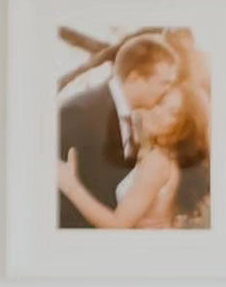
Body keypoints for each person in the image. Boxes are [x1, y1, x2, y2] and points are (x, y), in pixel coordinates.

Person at [58, 34, 180, 228]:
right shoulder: (80, 112)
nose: (167, 91)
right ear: (135, 78)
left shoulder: (136, 119)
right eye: (164, 82)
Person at [58, 82, 210, 228]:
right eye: (159, 103)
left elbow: (117, 225)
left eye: (171, 113)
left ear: (185, 126)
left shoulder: (158, 161)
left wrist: (71, 186)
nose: (157, 113)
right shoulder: (163, 155)